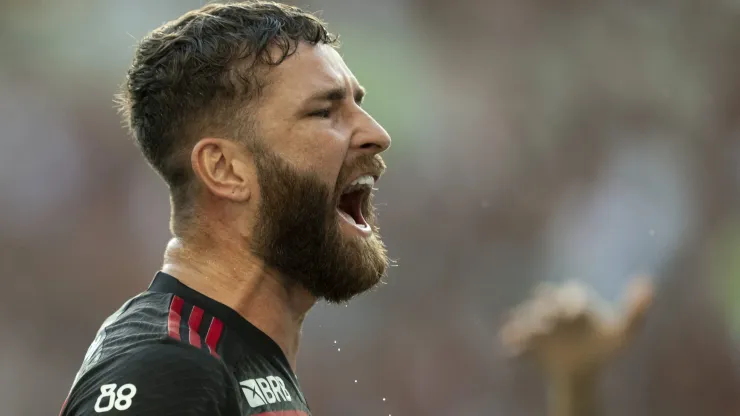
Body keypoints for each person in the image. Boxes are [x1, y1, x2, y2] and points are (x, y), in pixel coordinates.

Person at [58, 2, 653, 415]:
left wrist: (577, 389)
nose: (376, 132)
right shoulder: (167, 371)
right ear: (225, 169)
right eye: (326, 112)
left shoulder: (231, 362)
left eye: (359, 104)